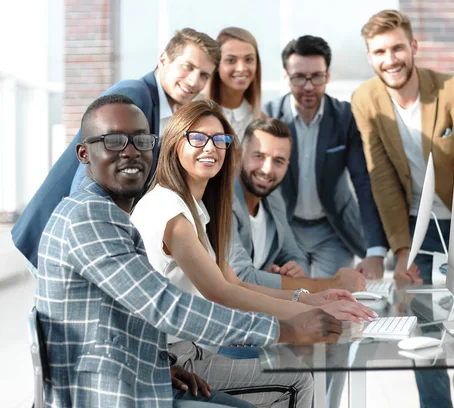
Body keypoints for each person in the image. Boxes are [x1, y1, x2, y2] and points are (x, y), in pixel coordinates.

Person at [36, 94, 342, 407]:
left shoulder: (114, 213)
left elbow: (125, 313)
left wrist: (305, 300)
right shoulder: (94, 215)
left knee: (290, 376)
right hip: (107, 391)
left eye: (141, 140)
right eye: (114, 141)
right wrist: (285, 328)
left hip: (147, 367)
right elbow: (168, 305)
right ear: (84, 153)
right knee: (295, 379)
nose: (130, 151)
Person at [130, 99, 376, 407]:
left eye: (219, 140)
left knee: (297, 370)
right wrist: (308, 315)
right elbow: (221, 293)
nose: (211, 148)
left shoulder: (195, 209)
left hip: (187, 352)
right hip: (169, 361)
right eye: (198, 138)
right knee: (297, 381)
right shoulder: (170, 211)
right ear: (174, 143)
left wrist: (310, 299)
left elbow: (236, 284)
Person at [352, 10, 454, 408]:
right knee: (425, 334)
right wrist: (403, 250)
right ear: (370, 56)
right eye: (380, 51)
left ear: (413, 47)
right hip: (416, 221)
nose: (391, 58)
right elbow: (380, 177)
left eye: (398, 47)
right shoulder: (365, 99)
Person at [12, 27, 218, 270]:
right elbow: (91, 173)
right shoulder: (132, 96)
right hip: (68, 238)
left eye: (204, 75)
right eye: (188, 66)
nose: (195, 81)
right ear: (163, 59)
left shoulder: (167, 113)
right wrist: (92, 240)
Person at [263, 35, 388, 279]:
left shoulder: (345, 118)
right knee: (293, 302)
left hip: (333, 229)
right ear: (286, 77)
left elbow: (363, 182)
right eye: (299, 77)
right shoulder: (269, 117)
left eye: (316, 76)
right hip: (287, 228)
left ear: (327, 76)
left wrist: (375, 250)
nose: (308, 86)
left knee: (333, 303)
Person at [230, 117, 366, 293]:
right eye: (259, 156)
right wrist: (332, 285)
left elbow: (294, 255)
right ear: (240, 154)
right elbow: (239, 277)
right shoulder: (225, 201)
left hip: (259, 308)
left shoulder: (274, 199)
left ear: (287, 166)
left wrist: (293, 270)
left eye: (278, 161)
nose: (267, 169)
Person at [207, 27, 262, 140]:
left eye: (249, 59)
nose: (241, 68)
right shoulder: (193, 109)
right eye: (231, 60)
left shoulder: (260, 120)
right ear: (216, 65)